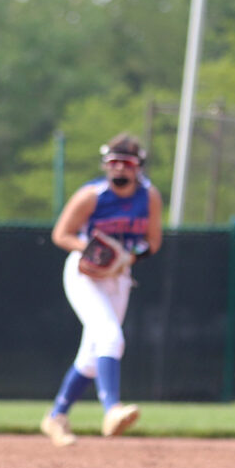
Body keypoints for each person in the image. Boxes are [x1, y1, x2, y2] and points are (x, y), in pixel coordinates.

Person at [41, 133, 163, 447]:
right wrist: (92, 249)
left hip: (119, 276)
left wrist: (127, 257)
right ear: (105, 165)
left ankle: (57, 417)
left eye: (127, 164)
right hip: (85, 274)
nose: (120, 170)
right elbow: (61, 234)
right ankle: (112, 410)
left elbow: (153, 242)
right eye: (114, 163)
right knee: (110, 336)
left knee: (93, 357)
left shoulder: (149, 197)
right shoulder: (92, 195)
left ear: (139, 168)